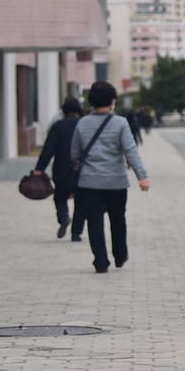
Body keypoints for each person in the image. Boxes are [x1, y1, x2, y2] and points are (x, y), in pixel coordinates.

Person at [72, 80, 150, 273]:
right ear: (112, 102)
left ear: (91, 102)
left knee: (94, 221)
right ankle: (120, 254)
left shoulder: (82, 124)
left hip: (89, 182)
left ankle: (100, 261)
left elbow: (74, 154)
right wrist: (142, 176)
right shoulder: (120, 123)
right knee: (118, 218)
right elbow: (130, 150)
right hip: (116, 181)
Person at [33, 97, 86, 240]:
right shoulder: (84, 125)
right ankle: (76, 233)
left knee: (60, 196)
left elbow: (48, 149)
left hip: (61, 168)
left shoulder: (58, 126)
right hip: (80, 169)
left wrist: (39, 168)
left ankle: (63, 218)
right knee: (81, 200)